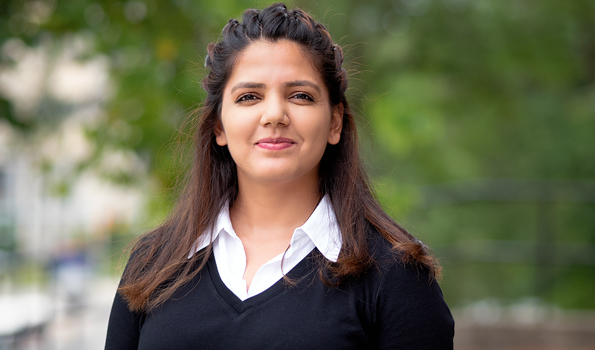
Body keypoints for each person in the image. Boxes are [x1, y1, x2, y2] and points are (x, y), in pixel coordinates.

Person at [105, 3, 454, 349]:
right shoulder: (152, 265)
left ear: (335, 122)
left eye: (300, 96)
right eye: (249, 97)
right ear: (218, 125)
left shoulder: (396, 276)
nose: (274, 115)